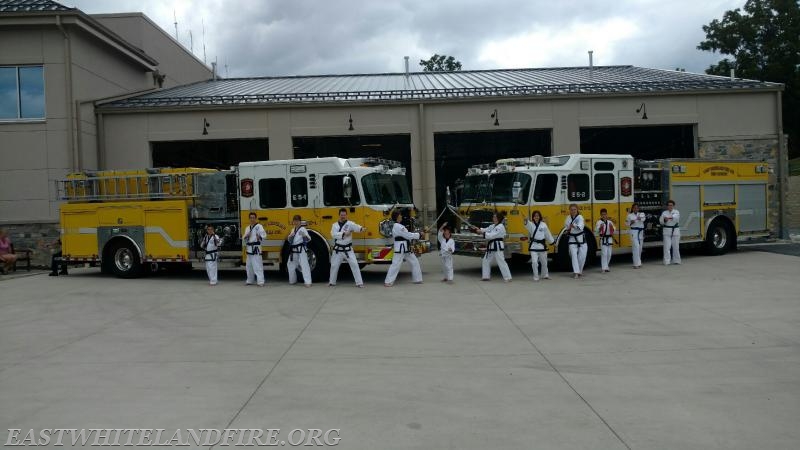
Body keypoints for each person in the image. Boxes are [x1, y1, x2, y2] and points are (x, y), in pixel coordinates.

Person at [384, 210, 423, 286]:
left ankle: (417, 279)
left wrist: (418, 234)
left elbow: (408, 235)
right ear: (397, 217)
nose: (401, 216)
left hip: (406, 247)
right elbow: (408, 235)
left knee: (414, 262)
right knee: (396, 264)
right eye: (400, 215)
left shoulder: (399, 226)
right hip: (400, 248)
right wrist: (419, 235)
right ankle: (388, 281)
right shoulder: (398, 226)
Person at [329, 208, 366, 288]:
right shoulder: (334, 225)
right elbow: (333, 234)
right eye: (341, 215)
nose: (343, 216)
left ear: (346, 215)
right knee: (334, 265)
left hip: (348, 249)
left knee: (355, 264)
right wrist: (344, 234)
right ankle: (332, 282)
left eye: (344, 215)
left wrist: (361, 229)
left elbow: (356, 227)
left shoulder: (350, 224)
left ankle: (359, 283)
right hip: (338, 250)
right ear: (339, 215)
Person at [472, 212, 512, 282]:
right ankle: (486, 276)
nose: (493, 218)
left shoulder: (500, 227)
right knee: (486, 260)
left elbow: (492, 235)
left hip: (497, 246)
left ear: (498, 218)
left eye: (495, 217)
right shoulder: (493, 226)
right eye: (493, 217)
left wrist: (481, 232)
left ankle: (508, 277)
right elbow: (486, 229)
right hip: (491, 246)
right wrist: (478, 229)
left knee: (501, 261)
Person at [523, 210, 554, 281]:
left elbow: (547, 234)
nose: (536, 217)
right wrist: (525, 220)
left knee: (544, 262)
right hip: (533, 246)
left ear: (540, 217)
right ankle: (536, 276)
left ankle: (545, 275)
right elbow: (526, 224)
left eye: (537, 216)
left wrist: (552, 242)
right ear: (533, 217)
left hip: (542, 246)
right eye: (535, 216)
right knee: (534, 262)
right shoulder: (530, 224)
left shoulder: (543, 225)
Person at [286, 214, 312, 287]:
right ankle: (292, 280)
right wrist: (290, 236)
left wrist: (304, 235)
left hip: (301, 249)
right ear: (293, 222)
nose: (296, 222)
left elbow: (308, 239)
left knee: (304, 265)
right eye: (295, 221)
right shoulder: (292, 229)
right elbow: (290, 241)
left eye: (297, 221)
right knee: (290, 264)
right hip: (293, 250)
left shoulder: (303, 229)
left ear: (300, 222)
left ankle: (308, 282)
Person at [243, 212, 266, 286]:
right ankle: (250, 280)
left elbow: (264, 235)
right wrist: (247, 236)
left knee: (257, 265)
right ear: (249, 219)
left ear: (255, 218)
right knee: (249, 266)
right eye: (251, 218)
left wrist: (259, 237)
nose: (252, 219)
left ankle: (260, 281)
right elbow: (244, 239)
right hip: (249, 248)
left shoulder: (259, 226)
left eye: (253, 218)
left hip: (256, 248)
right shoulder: (247, 228)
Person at [564, 204, 587, 279]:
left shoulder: (580, 217)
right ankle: (576, 272)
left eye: (574, 209)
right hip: (572, 238)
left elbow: (581, 227)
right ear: (569, 210)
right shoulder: (568, 218)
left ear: (577, 210)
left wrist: (573, 226)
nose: (573, 211)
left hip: (581, 238)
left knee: (582, 257)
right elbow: (566, 227)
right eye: (571, 209)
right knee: (573, 255)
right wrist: (567, 230)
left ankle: (579, 271)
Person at [660, 200, 681, 265]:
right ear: (667, 206)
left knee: (676, 247)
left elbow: (676, 218)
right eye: (669, 205)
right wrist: (664, 220)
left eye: (671, 205)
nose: (670, 206)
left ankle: (676, 260)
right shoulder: (664, 213)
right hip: (667, 230)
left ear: (673, 206)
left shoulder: (676, 212)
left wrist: (668, 218)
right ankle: (666, 261)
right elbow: (661, 221)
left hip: (675, 230)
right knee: (667, 247)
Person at [595, 208, 615, 273]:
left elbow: (613, 230)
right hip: (603, 238)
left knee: (609, 254)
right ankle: (603, 268)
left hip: (609, 239)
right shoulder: (599, 222)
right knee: (604, 253)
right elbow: (597, 231)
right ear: (600, 215)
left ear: (607, 214)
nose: (604, 216)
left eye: (605, 214)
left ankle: (606, 266)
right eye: (602, 214)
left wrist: (612, 228)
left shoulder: (610, 222)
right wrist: (600, 227)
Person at [626, 203, 646, 269]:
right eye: (634, 208)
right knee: (636, 247)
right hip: (633, 231)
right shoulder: (629, 215)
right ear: (632, 208)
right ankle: (635, 264)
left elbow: (643, 219)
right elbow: (627, 224)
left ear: (638, 209)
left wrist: (639, 218)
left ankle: (638, 262)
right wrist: (631, 222)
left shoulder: (642, 214)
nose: (636, 209)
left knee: (640, 248)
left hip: (640, 231)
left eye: (637, 208)